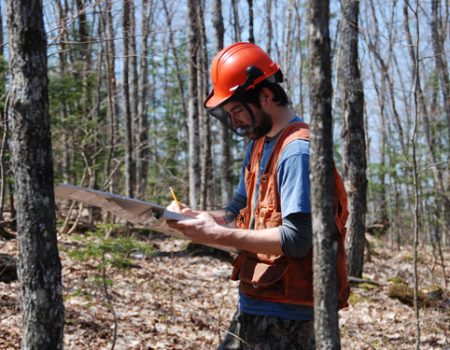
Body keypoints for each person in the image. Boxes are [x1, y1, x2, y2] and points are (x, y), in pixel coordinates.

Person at [168, 42, 349, 350]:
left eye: (237, 109)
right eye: (229, 113)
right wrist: (197, 217)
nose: (235, 121)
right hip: (257, 300)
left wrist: (219, 235)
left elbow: (297, 238)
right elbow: (239, 211)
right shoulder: (258, 144)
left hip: (291, 314)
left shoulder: (297, 152)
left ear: (266, 96)